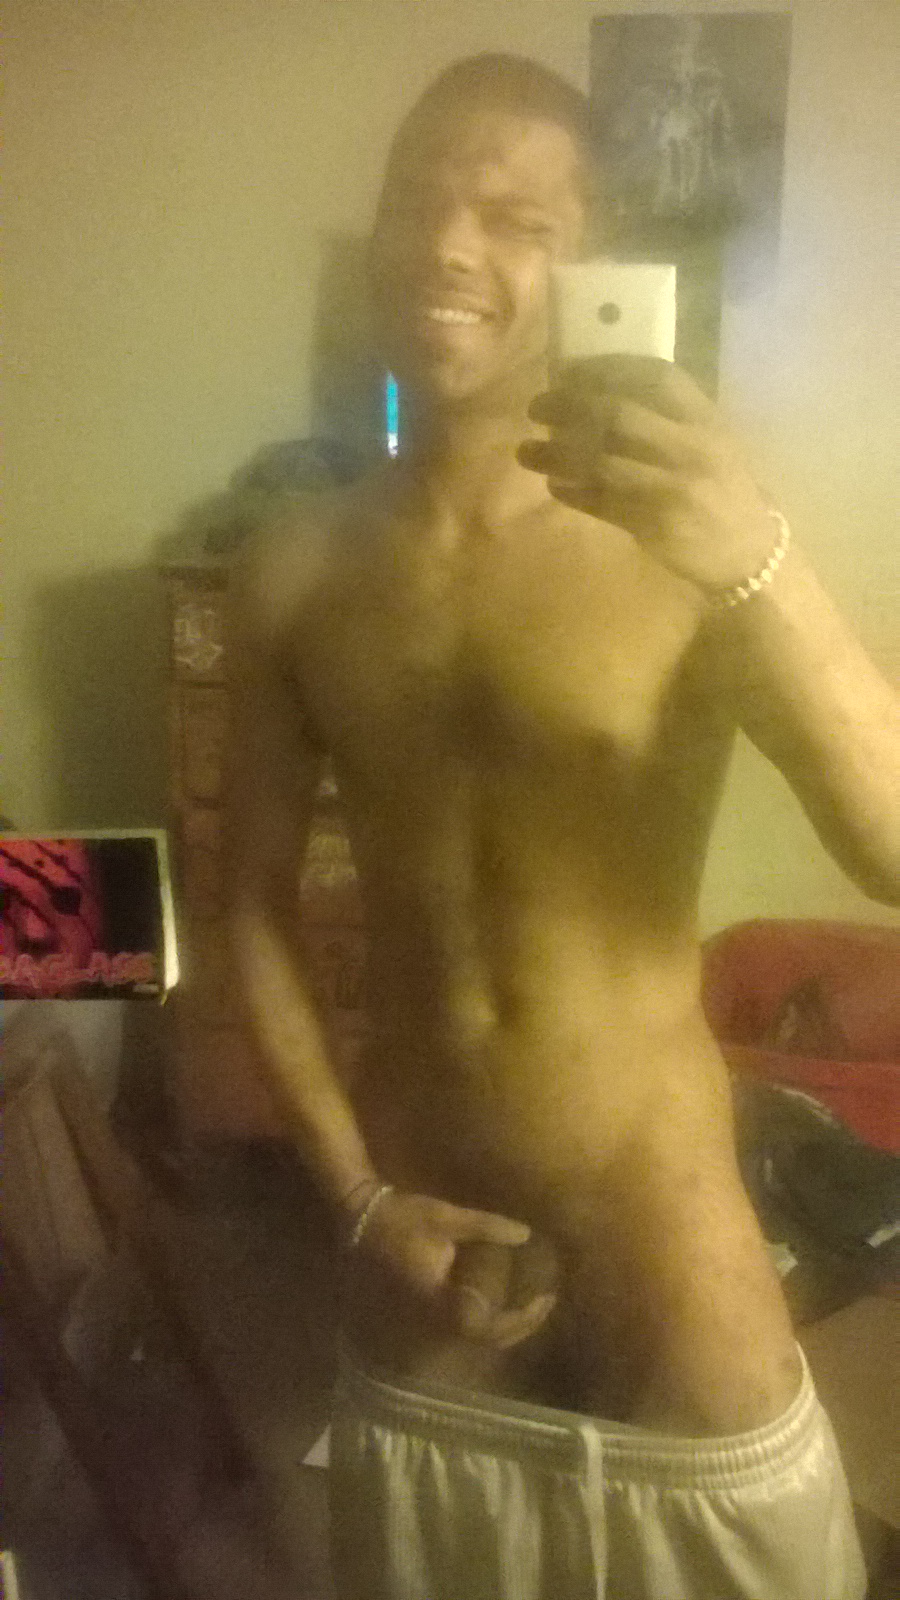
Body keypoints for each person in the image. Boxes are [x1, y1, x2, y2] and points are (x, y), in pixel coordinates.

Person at [225, 53, 896, 1600]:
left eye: (516, 219)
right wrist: (355, 1202)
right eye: (419, 201)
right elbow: (247, 902)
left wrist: (759, 560)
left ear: (593, 267)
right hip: (425, 1247)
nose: (450, 246)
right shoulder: (295, 568)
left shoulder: (692, 533)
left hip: (663, 1229)